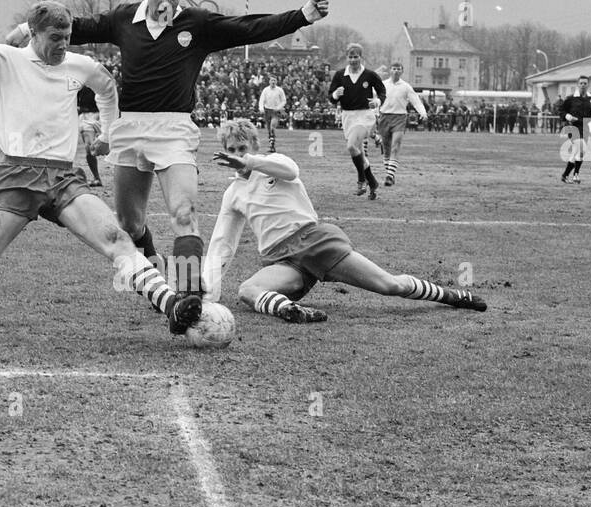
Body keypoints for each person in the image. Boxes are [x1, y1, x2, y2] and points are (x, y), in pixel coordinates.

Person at [10, 0, 329, 306]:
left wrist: (302, 16)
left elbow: (248, 28)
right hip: (130, 128)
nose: (166, 2)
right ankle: (152, 263)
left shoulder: (197, 23)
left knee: (184, 213)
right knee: (129, 227)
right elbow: (77, 27)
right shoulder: (123, 19)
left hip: (174, 129)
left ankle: (189, 295)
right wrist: (26, 29)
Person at [0, 0, 201, 336]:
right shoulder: (7, 60)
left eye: (67, 37)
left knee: (116, 237)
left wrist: (108, 134)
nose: (63, 45)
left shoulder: (79, 66)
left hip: (62, 179)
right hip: (16, 178)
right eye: (55, 38)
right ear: (33, 34)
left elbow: (106, 90)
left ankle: (172, 305)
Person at [202, 119, 486, 322]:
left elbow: (291, 170)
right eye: (232, 150)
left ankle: (452, 296)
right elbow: (221, 244)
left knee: (390, 286)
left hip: (315, 242)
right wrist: (208, 296)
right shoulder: (232, 194)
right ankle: (291, 311)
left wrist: (250, 162)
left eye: (242, 147)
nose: (237, 154)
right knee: (247, 290)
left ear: (254, 146)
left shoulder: (272, 163)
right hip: (282, 261)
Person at [328, 45, 387, 198]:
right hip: (347, 117)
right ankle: (373, 182)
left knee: (351, 146)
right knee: (357, 152)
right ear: (347, 58)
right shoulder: (340, 75)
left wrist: (378, 101)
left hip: (364, 117)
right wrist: (335, 95)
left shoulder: (369, 75)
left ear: (361, 57)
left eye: (356, 57)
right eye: (350, 57)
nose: (353, 60)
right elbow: (330, 98)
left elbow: (382, 92)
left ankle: (361, 179)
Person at [375, 60, 429, 187]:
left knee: (395, 146)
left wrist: (423, 113)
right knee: (387, 149)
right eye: (394, 68)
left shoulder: (406, 86)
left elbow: (416, 101)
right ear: (390, 70)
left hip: (399, 117)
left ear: (402, 71)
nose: (396, 71)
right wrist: (372, 112)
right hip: (384, 117)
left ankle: (389, 176)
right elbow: (374, 99)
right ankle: (390, 172)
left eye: (398, 69)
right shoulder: (382, 85)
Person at [559, 76, 591, 184]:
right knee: (581, 147)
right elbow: (561, 111)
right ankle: (574, 175)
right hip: (573, 126)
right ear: (578, 84)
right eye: (581, 83)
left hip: (586, 126)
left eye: (585, 83)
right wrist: (568, 116)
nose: (583, 85)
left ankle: (567, 175)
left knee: (578, 152)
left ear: (588, 85)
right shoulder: (570, 98)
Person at [76, 84, 105, 187]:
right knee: (89, 147)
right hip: (86, 117)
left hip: (103, 115)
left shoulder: (100, 76)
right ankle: (97, 178)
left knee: (113, 147)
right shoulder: (78, 79)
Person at [257, 75, 287, 152]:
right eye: (272, 80)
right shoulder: (266, 90)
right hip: (267, 110)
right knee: (269, 129)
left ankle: (272, 146)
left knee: (272, 126)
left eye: (274, 80)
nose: (273, 82)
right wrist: (261, 108)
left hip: (275, 111)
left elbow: (284, 100)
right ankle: (272, 145)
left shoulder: (279, 90)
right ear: (269, 81)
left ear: (276, 81)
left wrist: (279, 107)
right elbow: (261, 99)